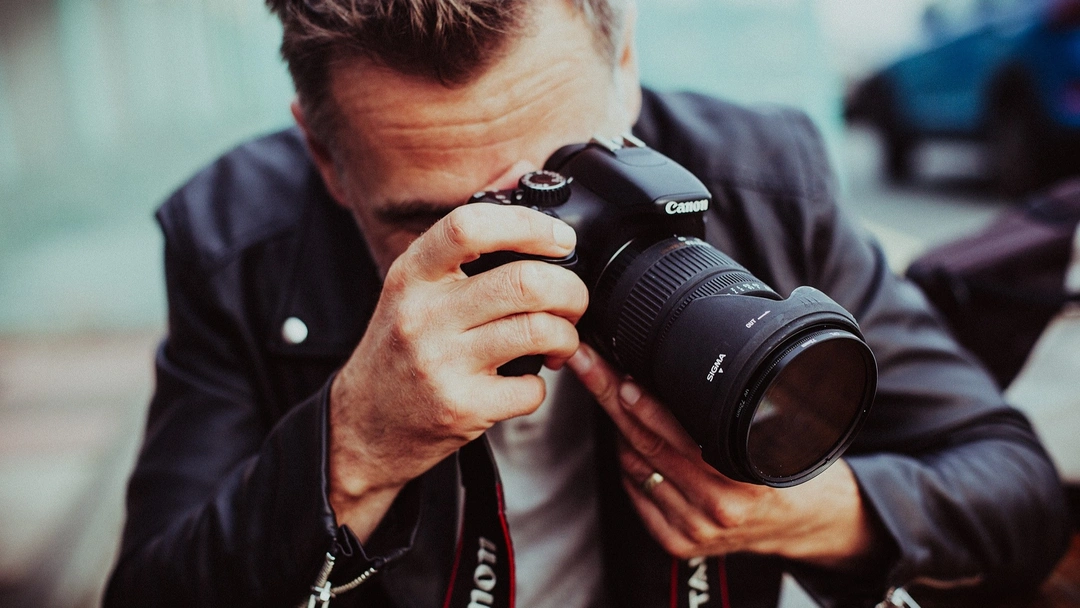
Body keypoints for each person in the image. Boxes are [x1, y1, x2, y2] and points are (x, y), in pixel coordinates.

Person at [103, 0, 1071, 606]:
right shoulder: (233, 239)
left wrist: (816, 512)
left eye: (560, 183)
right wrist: (353, 446)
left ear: (628, 68)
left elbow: (1012, 488)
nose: (511, 247)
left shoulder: (764, 181)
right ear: (322, 152)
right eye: (427, 222)